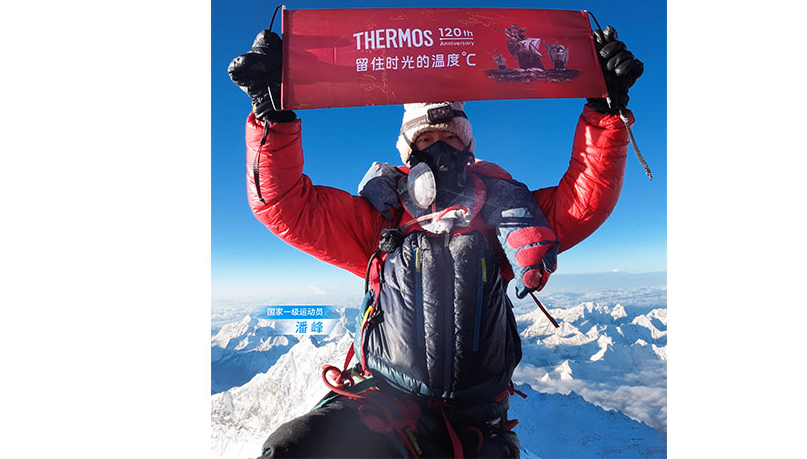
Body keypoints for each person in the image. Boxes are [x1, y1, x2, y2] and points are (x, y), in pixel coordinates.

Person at [228, 24, 643, 458]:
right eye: (425, 139)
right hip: (385, 405)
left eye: (449, 137)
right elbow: (286, 205)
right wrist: (273, 119)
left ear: (468, 147)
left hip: (476, 419)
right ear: (410, 154)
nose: (439, 149)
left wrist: (605, 112)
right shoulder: (380, 219)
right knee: (295, 448)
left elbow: (583, 200)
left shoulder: (502, 218)